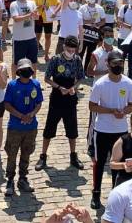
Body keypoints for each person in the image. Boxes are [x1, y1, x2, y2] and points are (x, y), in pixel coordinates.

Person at [89, 52, 132, 209]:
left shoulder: (128, 83)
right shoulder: (100, 84)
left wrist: (124, 111)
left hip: (121, 131)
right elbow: (92, 105)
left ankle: (116, 193)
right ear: (108, 65)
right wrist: (111, 111)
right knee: (100, 163)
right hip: (102, 130)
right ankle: (96, 193)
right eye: (115, 64)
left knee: (118, 163)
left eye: (120, 64)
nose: (118, 67)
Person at [37, 36, 85, 171]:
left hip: (70, 98)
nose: (71, 51)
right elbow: (46, 78)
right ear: (64, 47)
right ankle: (43, 156)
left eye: (73, 49)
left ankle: (73, 156)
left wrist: (73, 88)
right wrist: (59, 87)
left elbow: (81, 77)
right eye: (68, 49)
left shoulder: (77, 60)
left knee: (72, 129)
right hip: (57, 97)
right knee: (49, 128)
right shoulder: (56, 59)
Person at [2, 58, 43, 196]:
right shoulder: (12, 85)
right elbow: (7, 105)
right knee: (11, 155)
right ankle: (10, 180)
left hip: (31, 128)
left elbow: (38, 103)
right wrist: (21, 116)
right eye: (23, 69)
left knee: (26, 153)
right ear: (19, 71)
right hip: (15, 127)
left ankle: (23, 178)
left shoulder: (36, 84)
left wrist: (31, 114)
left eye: (28, 69)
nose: (26, 72)